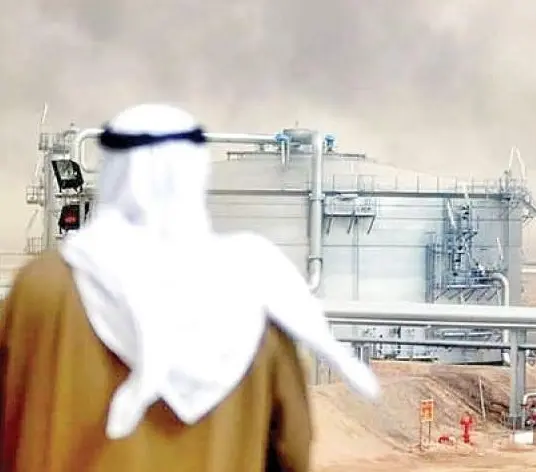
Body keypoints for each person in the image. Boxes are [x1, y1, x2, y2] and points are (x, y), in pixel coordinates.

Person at [0, 104, 379, 471]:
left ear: (113, 169)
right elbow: (293, 446)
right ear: (196, 171)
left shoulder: (44, 286)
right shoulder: (254, 290)